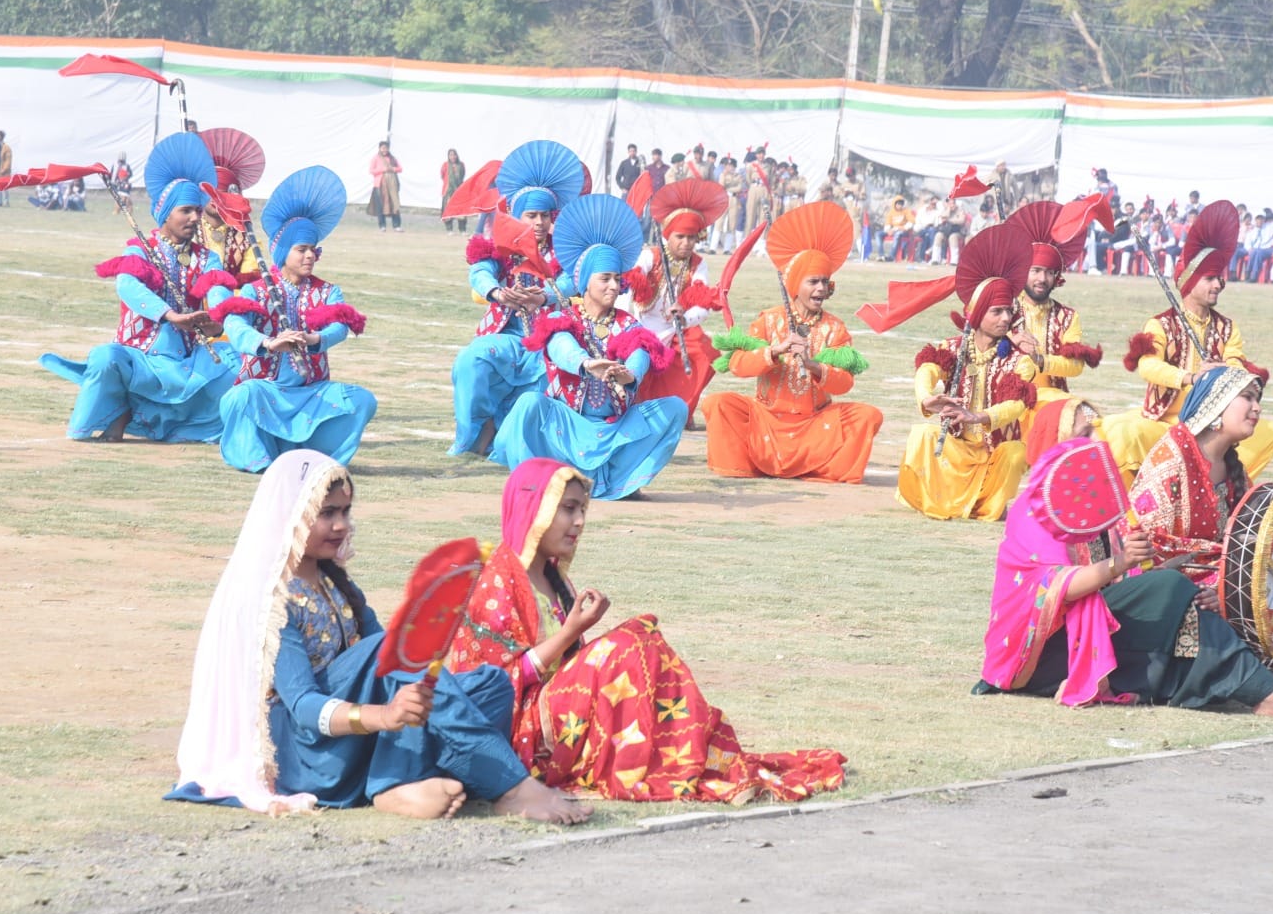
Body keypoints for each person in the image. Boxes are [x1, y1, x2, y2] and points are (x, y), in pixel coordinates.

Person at [165, 449, 589, 822]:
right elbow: (304, 705)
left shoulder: (338, 587)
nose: (340, 525)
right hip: (310, 756)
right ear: (290, 516)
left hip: (360, 745)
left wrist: (409, 697)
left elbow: (401, 673)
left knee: (492, 684)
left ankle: (396, 783)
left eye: (345, 513)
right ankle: (508, 787)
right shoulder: (269, 602)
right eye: (326, 513)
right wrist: (383, 717)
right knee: (396, 652)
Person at [448, 458, 848, 801]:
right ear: (534, 508)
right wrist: (571, 633)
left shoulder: (554, 578)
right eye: (568, 508)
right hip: (521, 733)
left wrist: (577, 634)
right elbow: (493, 686)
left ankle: (685, 755)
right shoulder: (496, 582)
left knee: (641, 635)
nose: (580, 521)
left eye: (582, 509)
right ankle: (672, 762)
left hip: (557, 713)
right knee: (623, 646)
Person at [972, 428, 1273, 723]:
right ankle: (1268, 695)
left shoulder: (1097, 509)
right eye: (1082, 431)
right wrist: (1125, 567)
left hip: (1096, 632)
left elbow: (1127, 580)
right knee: (1170, 588)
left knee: (1188, 608)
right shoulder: (1033, 513)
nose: (1094, 440)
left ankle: (1263, 694)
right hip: (1040, 655)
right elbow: (1055, 589)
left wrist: (1160, 577)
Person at [38, 133, 238, 443]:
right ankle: (118, 414)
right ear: (165, 212)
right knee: (106, 357)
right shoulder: (141, 249)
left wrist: (216, 322)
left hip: (183, 361)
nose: (195, 217)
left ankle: (183, 424)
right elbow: (127, 285)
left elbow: (218, 292)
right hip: (138, 357)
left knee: (238, 359)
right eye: (186, 210)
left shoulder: (207, 257)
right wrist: (171, 316)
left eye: (197, 211)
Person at [490, 193, 687, 498]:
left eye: (616, 279)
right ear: (584, 283)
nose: (613, 285)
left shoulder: (628, 324)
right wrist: (585, 364)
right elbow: (561, 347)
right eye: (604, 278)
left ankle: (622, 480)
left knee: (675, 408)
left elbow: (639, 354)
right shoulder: (561, 318)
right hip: (566, 428)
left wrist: (629, 375)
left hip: (614, 429)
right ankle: (537, 481)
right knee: (529, 405)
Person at [1100, 200, 1273, 486]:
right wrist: (1190, 377)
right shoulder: (1160, 324)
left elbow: (1236, 362)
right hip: (1165, 423)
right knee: (1124, 434)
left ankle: (1223, 490)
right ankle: (1134, 515)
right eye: (1210, 279)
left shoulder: (1226, 327)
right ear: (1189, 282)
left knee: (1271, 432)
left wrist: (1222, 370)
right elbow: (1148, 366)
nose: (1218, 285)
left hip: (1213, 428)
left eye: (1220, 279)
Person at [212, 165, 378, 473]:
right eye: (301, 249)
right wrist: (270, 344)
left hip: (311, 393)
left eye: (313, 250)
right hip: (267, 390)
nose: (310, 256)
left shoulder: (328, 291)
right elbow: (235, 326)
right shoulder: (256, 289)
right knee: (239, 397)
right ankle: (256, 459)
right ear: (283, 251)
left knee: (362, 401)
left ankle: (319, 458)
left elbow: (341, 325)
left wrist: (316, 340)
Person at [703, 201, 882, 484]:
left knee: (868, 416)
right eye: (813, 281)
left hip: (814, 425)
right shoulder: (770, 319)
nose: (821, 288)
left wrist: (813, 366)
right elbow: (737, 365)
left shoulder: (835, 328)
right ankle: (744, 464)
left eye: (825, 282)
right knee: (718, 404)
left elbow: (845, 383)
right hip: (767, 419)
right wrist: (772, 352)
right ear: (795, 285)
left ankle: (822, 468)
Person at [893, 225, 1038, 522]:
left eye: (1008, 311)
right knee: (923, 434)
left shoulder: (1018, 358)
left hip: (992, 453)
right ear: (977, 314)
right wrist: (927, 397)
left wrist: (980, 418)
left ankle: (987, 506)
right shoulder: (955, 348)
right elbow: (927, 369)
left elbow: (1016, 405)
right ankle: (942, 501)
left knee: (1015, 452)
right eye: (996, 311)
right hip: (957, 447)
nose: (1005, 318)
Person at [449, 140, 583, 457]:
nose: (538, 223)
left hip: (549, 339)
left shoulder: (563, 250)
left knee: (546, 378)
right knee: (472, 359)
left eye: (545, 216)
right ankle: (471, 436)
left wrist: (547, 296)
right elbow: (480, 272)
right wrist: (498, 292)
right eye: (531, 216)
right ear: (517, 217)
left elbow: (572, 282)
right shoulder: (500, 248)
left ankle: (506, 442)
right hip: (507, 335)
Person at [1128, 366, 1261, 589]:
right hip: (1164, 584)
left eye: (1257, 400)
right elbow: (1153, 543)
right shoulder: (1173, 454)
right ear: (1218, 401)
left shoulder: (1234, 468)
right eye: (1247, 397)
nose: (1257, 408)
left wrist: (1221, 581)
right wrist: (1221, 575)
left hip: (1217, 581)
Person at [619, 179, 728, 425]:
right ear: (668, 235)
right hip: (642, 325)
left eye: (691, 238)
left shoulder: (699, 265)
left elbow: (703, 306)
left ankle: (682, 410)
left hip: (676, 328)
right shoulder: (651, 256)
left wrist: (685, 317)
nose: (686, 243)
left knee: (704, 351)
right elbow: (629, 285)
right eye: (680, 237)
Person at [1004, 198, 1109, 423]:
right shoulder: (1004, 308)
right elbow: (985, 352)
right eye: (1036, 271)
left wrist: (1038, 359)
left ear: (1056, 277)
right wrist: (1011, 344)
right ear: (1024, 271)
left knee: (1092, 421)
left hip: (1053, 401)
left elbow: (1074, 366)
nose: (1042, 279)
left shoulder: (1068, 317)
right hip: (1005, 400)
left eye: (1049, 272)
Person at [197, 126, 265, 281]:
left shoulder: (247, 240)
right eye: (212, 192)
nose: (216, 200)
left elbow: (249, 287)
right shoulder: (188, 231)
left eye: (222, 194)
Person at [367, 140, 403, 231]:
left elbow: (400, 169)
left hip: (392, 187)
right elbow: (371, 171)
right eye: (383, 148)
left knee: (395, 204)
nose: (384, 150)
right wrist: (382, 169)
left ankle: (396, 226)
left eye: (386, 148)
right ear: (379, 148)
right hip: (379, 186)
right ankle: (382, 226)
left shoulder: (392, 158)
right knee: (380, 206)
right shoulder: (375, 158)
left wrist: (392, 169)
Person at [440, 148, 467, 233]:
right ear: (448, 156)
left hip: (459, 190)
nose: (452, 157)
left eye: (454, 155)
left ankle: (462, 229)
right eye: (450, 155)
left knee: (461, 210)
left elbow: (462, 175)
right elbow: (442, 176)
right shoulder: (445, 165)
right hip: (448, 191)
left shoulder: (461, 164)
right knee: (448, 209)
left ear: (456, 155)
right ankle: (449, 229)